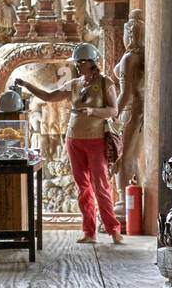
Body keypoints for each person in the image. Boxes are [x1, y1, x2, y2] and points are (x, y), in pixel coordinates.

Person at [16, 43, 122, 244]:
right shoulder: (74, 84)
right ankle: (89, 231)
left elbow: (113, 110)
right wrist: (27, 85)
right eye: (77, 63)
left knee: (100, 185)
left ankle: (113, 229)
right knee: (82, 186)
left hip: (96, 139)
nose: (78, 66)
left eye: (81, 62)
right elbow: (49, 97)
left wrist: (92, 112)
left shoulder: (105, 82)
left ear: (92, 63)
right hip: (74, 139)